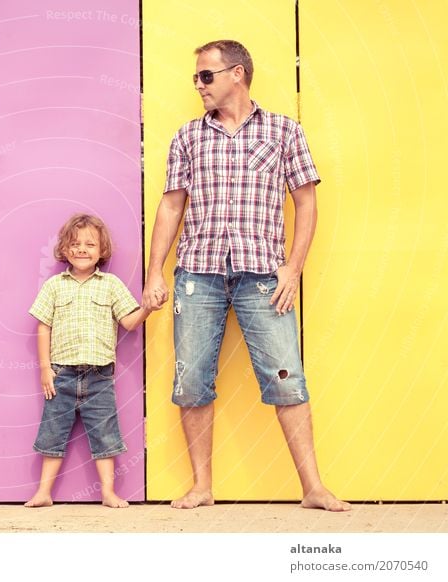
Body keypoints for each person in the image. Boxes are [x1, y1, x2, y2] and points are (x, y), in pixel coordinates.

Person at [143, 40, 350, 512]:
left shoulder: (283, 132)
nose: (198, 85)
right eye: (196, 77)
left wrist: (292, 269)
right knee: (192, 379)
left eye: (206, 76)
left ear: (237, 74)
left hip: (263, 276)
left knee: (287, 378)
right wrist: (155, 271)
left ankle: (313, 488)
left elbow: (306, 201)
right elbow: (171, 205)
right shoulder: (188, 137)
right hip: (199, 273)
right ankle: (201, 486)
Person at [25, 213, 150, 508]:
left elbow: (130, 322)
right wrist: (45, 369)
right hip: (61, 375)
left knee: (105, 435)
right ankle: (44, 493)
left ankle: (107, 492)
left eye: (90, 244)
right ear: (65, 249)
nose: (82, 249)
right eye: (75, 243)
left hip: (99, 377)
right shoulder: (55, 286)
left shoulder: (111, 285)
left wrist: (148, 308)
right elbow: (43, 325)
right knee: (53, 433)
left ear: (101, 251)